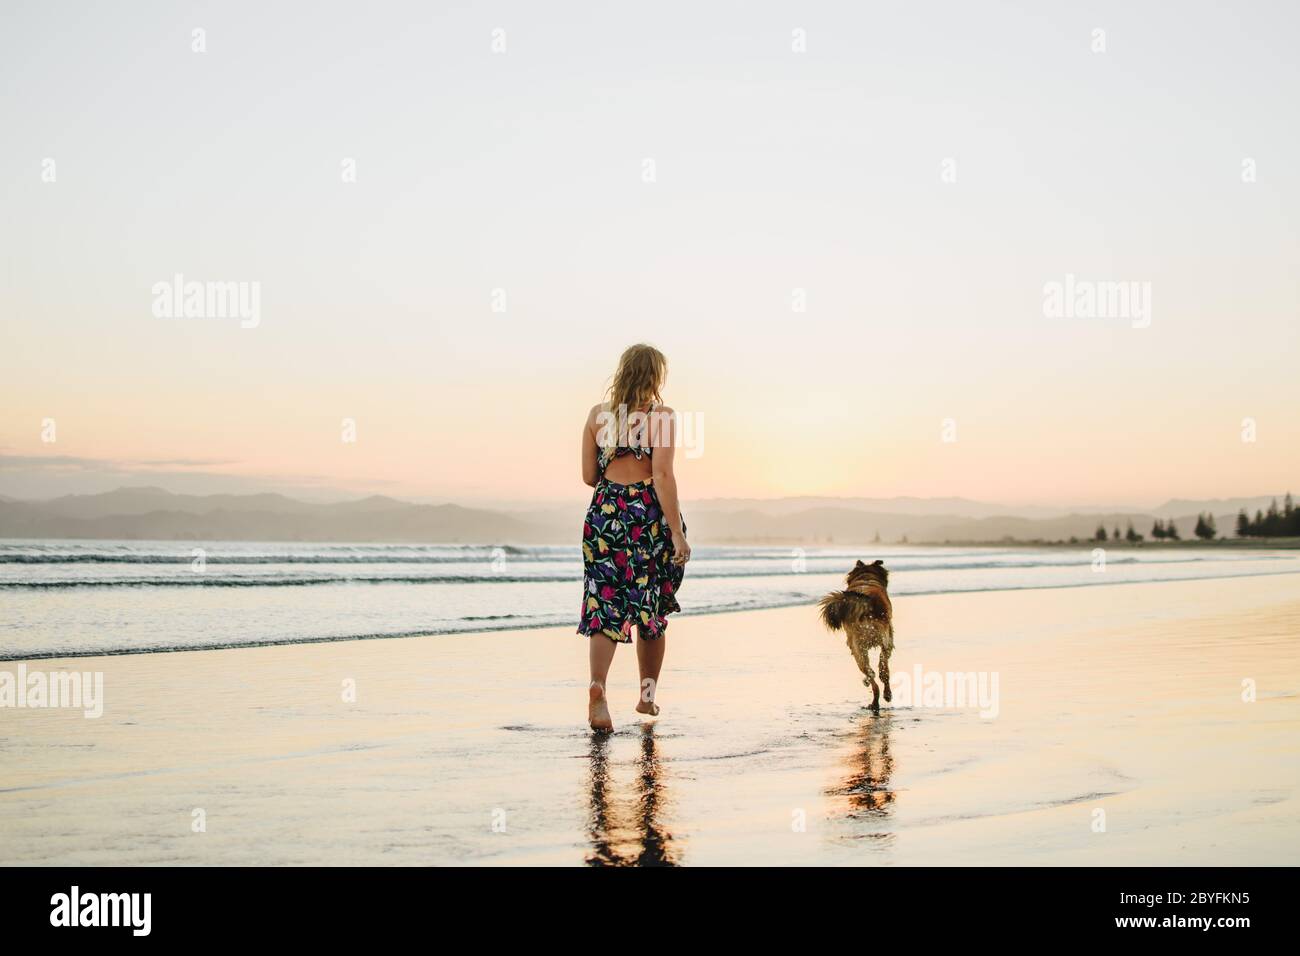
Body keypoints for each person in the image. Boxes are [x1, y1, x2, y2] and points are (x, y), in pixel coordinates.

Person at [578, 344, 690, 730]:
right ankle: (646, 698)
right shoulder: (661, 416)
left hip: (604, 514)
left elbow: (590, 476)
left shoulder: (598, 415)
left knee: (603, 605)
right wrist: (676, 533)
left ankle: (598, 686)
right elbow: (662, 476)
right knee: (652, 608)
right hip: (646, 516)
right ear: (656, 376)